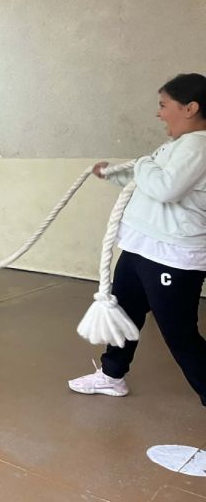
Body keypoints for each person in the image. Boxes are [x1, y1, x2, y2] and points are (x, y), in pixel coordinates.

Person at [68, 73, 206, 407]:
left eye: (164, 105)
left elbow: (166, 188)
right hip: (141, 248)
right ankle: (111, 375)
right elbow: (149, 184)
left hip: (171, 256)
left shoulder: (198, 146)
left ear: (190, 108)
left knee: (180, 334)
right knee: (124, 312)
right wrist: (113, 173)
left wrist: (142, 162)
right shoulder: (178, 145)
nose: (159, 113)